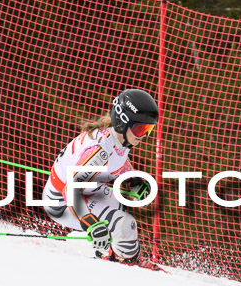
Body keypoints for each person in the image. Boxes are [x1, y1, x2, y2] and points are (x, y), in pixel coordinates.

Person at [42, 88, 158, 264]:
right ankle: (127, 263)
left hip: (88, 190)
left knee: (119, 209)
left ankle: (115, 254)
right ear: (123, 122)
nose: (145, 136)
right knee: (124, 224)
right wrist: (90, 223)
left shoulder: (118, 138)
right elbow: (71, 190)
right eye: (141, 129)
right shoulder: (99, 151)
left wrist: (132, 179)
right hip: (61, 202)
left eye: (148, 129)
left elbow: (117, 160)